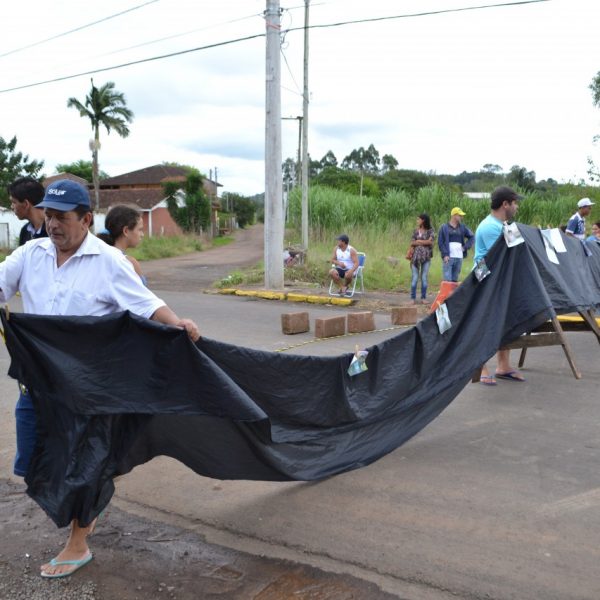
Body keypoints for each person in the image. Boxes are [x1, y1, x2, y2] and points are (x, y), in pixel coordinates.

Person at [0, 179, 200, 579]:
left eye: (63, 218)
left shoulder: (109, 261)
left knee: (83, 466)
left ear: (87, 219)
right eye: (49, 216)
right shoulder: (31, 253)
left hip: (89, 392)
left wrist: (177, 324)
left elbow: (146, 305)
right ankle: (100, 483)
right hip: (39, 388)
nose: (53, 225)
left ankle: (78, 542)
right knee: (35, 464)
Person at [474, 186, 525, 385]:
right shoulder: (490, 227)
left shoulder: (503, 225)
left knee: (505, 323)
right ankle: (482, 366)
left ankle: (503, 366)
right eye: (514, 203)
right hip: (487, 282)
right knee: (487, 324)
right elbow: (508, 254)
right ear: (505, 204)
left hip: (499, 280)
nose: (517, 207)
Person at [97, 205, 146, 283]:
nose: (142, 234)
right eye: (139, 229)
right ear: (126, 231)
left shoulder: (97, 258)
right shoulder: (129, 263)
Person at [437, 207, 474, 282]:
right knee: (447, 281)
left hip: (459, 257)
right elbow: (440, 242)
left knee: (454, 281)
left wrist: (465, 247)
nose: (461, 217)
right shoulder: (444, 227)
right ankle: (447, 294)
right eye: (460, 215)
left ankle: (453, 294)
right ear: (454, 215)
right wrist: (445, 255)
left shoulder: (463, 227)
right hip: (448, 258)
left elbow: (472, 237)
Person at [8, 176, 47, 245]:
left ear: (26, 204)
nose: (11, 207)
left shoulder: (53, 229)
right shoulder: (25, 231)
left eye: (14, 202)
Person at [409, 213, 435, 304]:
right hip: (415, 258)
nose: (417, 221)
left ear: (423, 220)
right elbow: (412, 243)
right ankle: (412, 298)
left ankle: (423, 298)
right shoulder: (415, 231)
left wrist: (418, 241)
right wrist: (424, 242)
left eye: (418, 219)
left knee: (424, 277)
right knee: (415, 277)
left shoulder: (430, 231)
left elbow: (430, 242)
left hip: (426, 257)